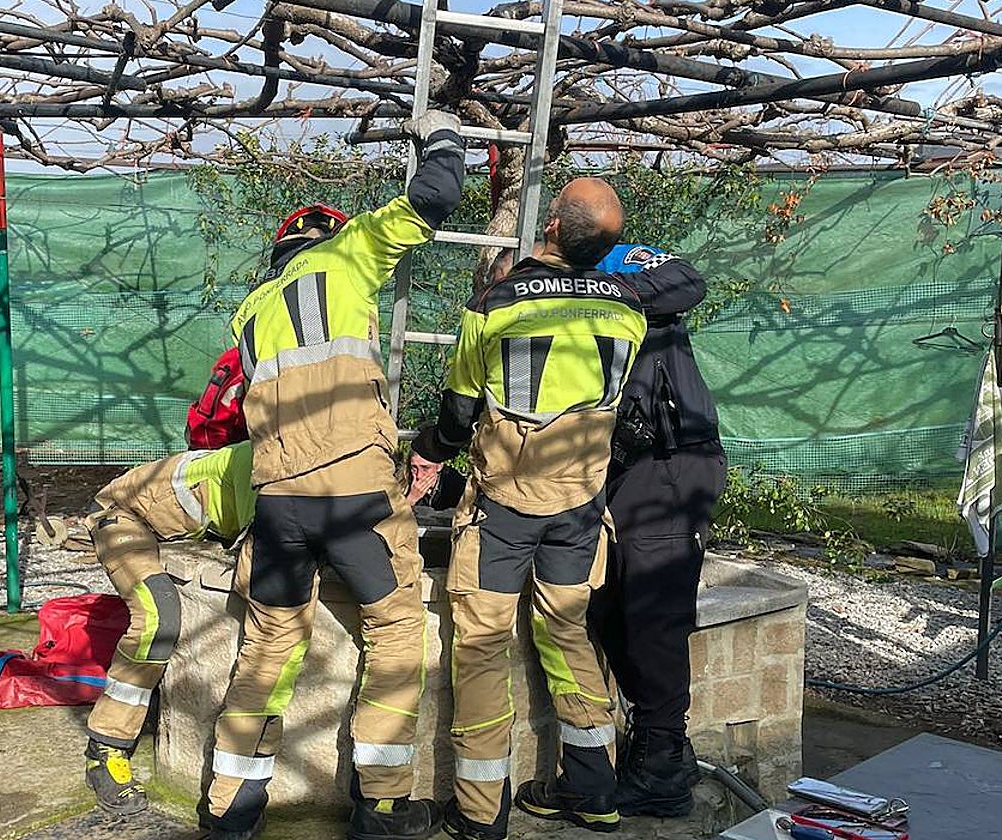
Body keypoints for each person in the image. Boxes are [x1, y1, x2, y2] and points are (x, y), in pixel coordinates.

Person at [203, 110, 466, 840]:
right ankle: (380, 806)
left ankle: (231, 805)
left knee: (268, 643)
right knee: (397, 630)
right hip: (355, 495)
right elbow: (436, 195)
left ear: (278, 253)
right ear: (326, 238)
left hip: (279, 501)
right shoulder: (350, 254)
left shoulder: (250, 312)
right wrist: (441, 133)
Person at [413, 178, 657, 839]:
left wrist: (425, 450)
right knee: (568, 635)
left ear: (550, 224)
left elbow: (458, 418)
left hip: (506, 509)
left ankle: (479, 811)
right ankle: (594, 793)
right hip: (579, 508)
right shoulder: (628, 307)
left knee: (484, 648)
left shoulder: (498, 302)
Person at [587, 243, 727, 818]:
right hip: (626, 470)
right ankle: (660, 743)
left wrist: (608, 293)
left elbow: (687, 279)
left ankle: (662, 770)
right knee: (607, 610)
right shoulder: (555, 287)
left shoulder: (617, 261)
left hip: (671, 467)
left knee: (654, 619)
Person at [82, 440, 256, 815]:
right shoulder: (267, 467)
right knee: (158, 615)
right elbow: (253, 569)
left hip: (170, 527)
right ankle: (106, 747)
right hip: (122, 516)